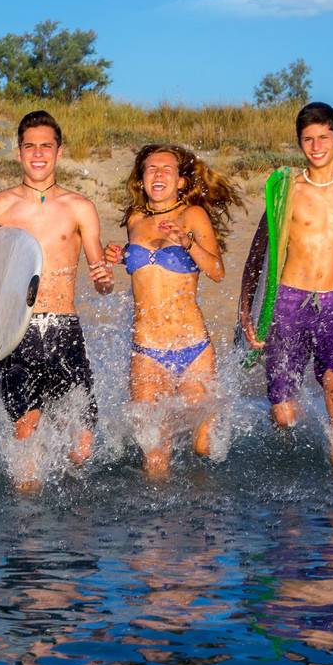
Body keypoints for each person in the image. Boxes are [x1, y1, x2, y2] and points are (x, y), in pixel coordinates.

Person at [0, 110, 113, 487]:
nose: (38, 154)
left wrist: (104, 277)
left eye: (46, 146)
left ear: (58, 152)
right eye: (30, 146)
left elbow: (99, 271)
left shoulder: (79, 208)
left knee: (83, 444)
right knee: (26, 432)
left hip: (64, 330)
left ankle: (66, 507)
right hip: (16, 332)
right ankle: (28, 523)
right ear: (19, 152)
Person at [239, 101, 333, 472]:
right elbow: (257, 256)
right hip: (288, 303)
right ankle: (284, 456)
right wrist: (246, 312)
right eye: (308, 139)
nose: (316, 146)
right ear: (300, 143)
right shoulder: (287, 190)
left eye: (323, 138)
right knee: (285, 414)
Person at [103, 144, 241, 477]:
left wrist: (188, 244)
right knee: (155, 450)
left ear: (180, 181)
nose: (159, 174)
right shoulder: (135, 219)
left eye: (167, 169)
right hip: (147, 352)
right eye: (151, 168)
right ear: (142, 178)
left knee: (201, 448)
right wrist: (119, 257)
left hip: (192, 349)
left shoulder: (192, 216)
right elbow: (146, 269)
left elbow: (217, 271)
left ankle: (200, 517)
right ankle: (156, 527)